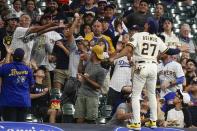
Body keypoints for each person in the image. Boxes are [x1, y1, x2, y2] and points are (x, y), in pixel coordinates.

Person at [110, 18, 189, 130]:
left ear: (147, 25)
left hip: (141, 65)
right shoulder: (157, 38)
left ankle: (136, 123)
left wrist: (114, 57)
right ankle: (153, 121)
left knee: (136, 95)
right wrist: (179, 49)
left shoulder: (138, 35)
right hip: (153, 66)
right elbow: (169, 52)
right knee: (152, 94)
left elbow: (128, 49)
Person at [0, 48, 35, 122]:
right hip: (23, 101)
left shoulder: (6, 67)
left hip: (9, 102)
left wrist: (8, 53)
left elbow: (4, 68)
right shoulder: (28, 69)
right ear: (23, 58)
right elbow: (32, 85)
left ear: (13, 56)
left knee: (10, 126)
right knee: (21, 127)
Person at [74, 45, 106, 124]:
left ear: (94, 54)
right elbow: (80, 70)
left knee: (91, 120)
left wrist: (87, 79)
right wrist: (81, 61)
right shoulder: (88, 63)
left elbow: (99, 86)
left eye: (91, 52)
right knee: (79, 117)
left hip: (92, 96)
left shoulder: (101, 69)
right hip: (82, 93)